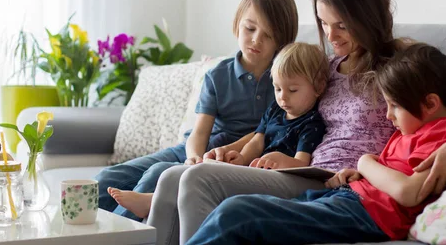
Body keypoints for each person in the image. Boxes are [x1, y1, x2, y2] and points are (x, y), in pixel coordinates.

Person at [145, 0, 446, 245]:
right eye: (324, 23)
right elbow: (284, 120)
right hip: (306, 170)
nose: (331, 35)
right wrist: (235, 148)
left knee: (198, 179)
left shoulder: (402, 63)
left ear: (367, 16)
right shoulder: (325, 68)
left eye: (342, 25)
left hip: (336, 182)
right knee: (173, 175)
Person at [64, 0, 299, 245]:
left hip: (230, 160)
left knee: (156, 177)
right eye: (250, 29)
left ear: (282, 41)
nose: (256, 40)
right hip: (194, 152)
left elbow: (271, 129)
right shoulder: (219, 74)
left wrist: (208, 162)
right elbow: (199, 132)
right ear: (237, 25)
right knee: (105, 181)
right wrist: (193, 158)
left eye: (268, 35)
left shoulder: (285, 80)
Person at [175, 43, 446, 245]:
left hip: (367, 216)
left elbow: (408, 191)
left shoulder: (444, 133)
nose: (388, 116)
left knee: (238, 213)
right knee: (238, 211)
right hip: (348, 196)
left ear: (430, 104)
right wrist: (354, 175)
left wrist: (365, 163)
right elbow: (388, 175)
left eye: (395, 107)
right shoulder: (408, 129)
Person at [108, 42, 329, 217]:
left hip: (272, 178)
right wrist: (240, 157)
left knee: (200, 178)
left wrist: (280, 159)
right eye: (278, 88)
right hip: (253, 169)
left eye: (292, 90)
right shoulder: (275, 110)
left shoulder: (311, 123)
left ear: (318, 87)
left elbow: (301, 163)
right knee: (179, 172)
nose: (282, 97)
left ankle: (152, 201)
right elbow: (256, 141)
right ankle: (152, 200)